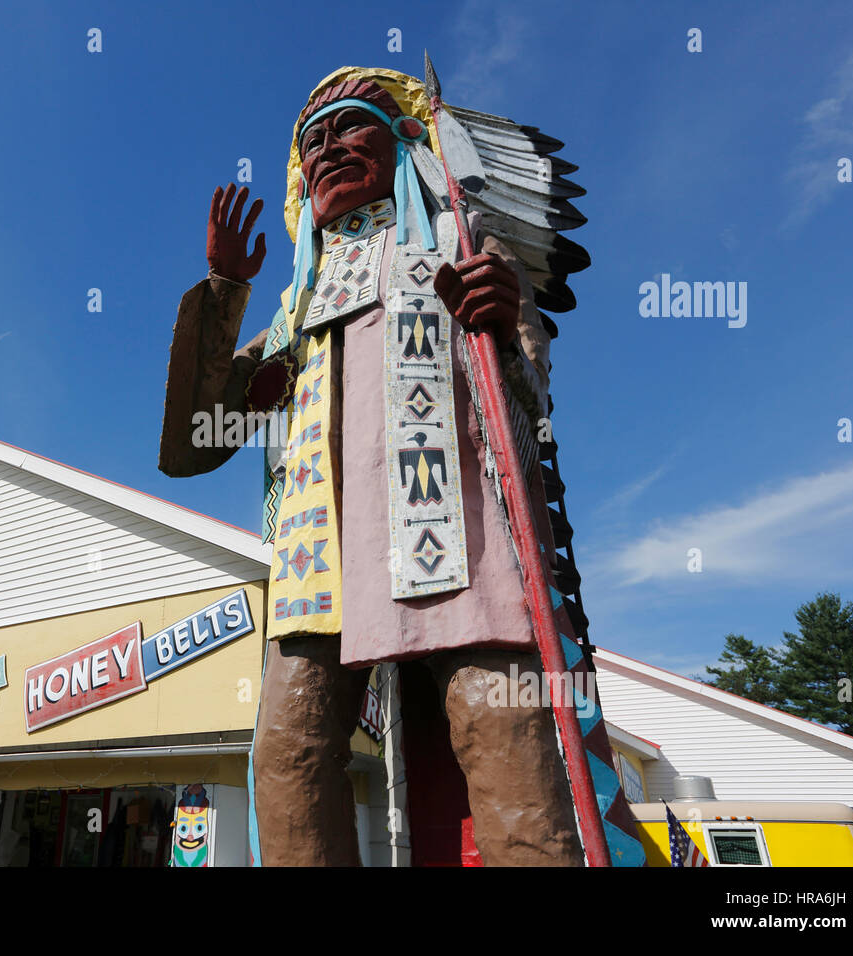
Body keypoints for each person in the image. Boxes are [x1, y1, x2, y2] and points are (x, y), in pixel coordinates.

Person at [159, 67, 582, 866]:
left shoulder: (464, 244)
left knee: (505, 745)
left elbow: (530, 403)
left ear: (406, 146)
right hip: (317, 561)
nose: (325, 151)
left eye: (349, 128)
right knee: (289, 757)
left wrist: (501, 320)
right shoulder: (300, 304)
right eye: (310, 142)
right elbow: (194, 444)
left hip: (461, 534)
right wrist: (224, 291)